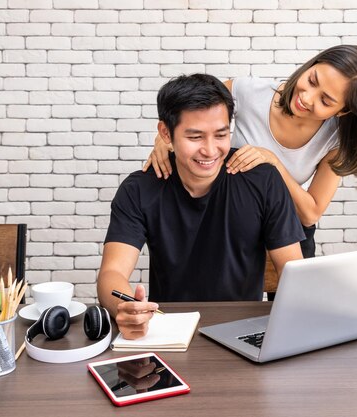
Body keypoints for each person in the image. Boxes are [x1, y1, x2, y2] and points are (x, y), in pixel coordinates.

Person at [97, 73, 305, 339]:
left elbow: (292, 270)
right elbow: (111, 273)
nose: (210, 150)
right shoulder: (139, 189)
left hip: (244, 331)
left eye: (221, 134)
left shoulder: (262, 180)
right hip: (169, 330)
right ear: (165, 134)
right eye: (195, 137)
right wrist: (124, 307)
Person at [143, 45, 357, 259]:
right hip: (231, 217)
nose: (307, 97)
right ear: (311, 65)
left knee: (296, 293)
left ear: (342, 111)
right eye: (312, 80)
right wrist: (163, 140)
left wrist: (273, 164)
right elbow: (189, 114)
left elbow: (310, 214)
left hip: (286, 228)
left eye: (326, 101)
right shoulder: (249, 93)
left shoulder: (336, 141)